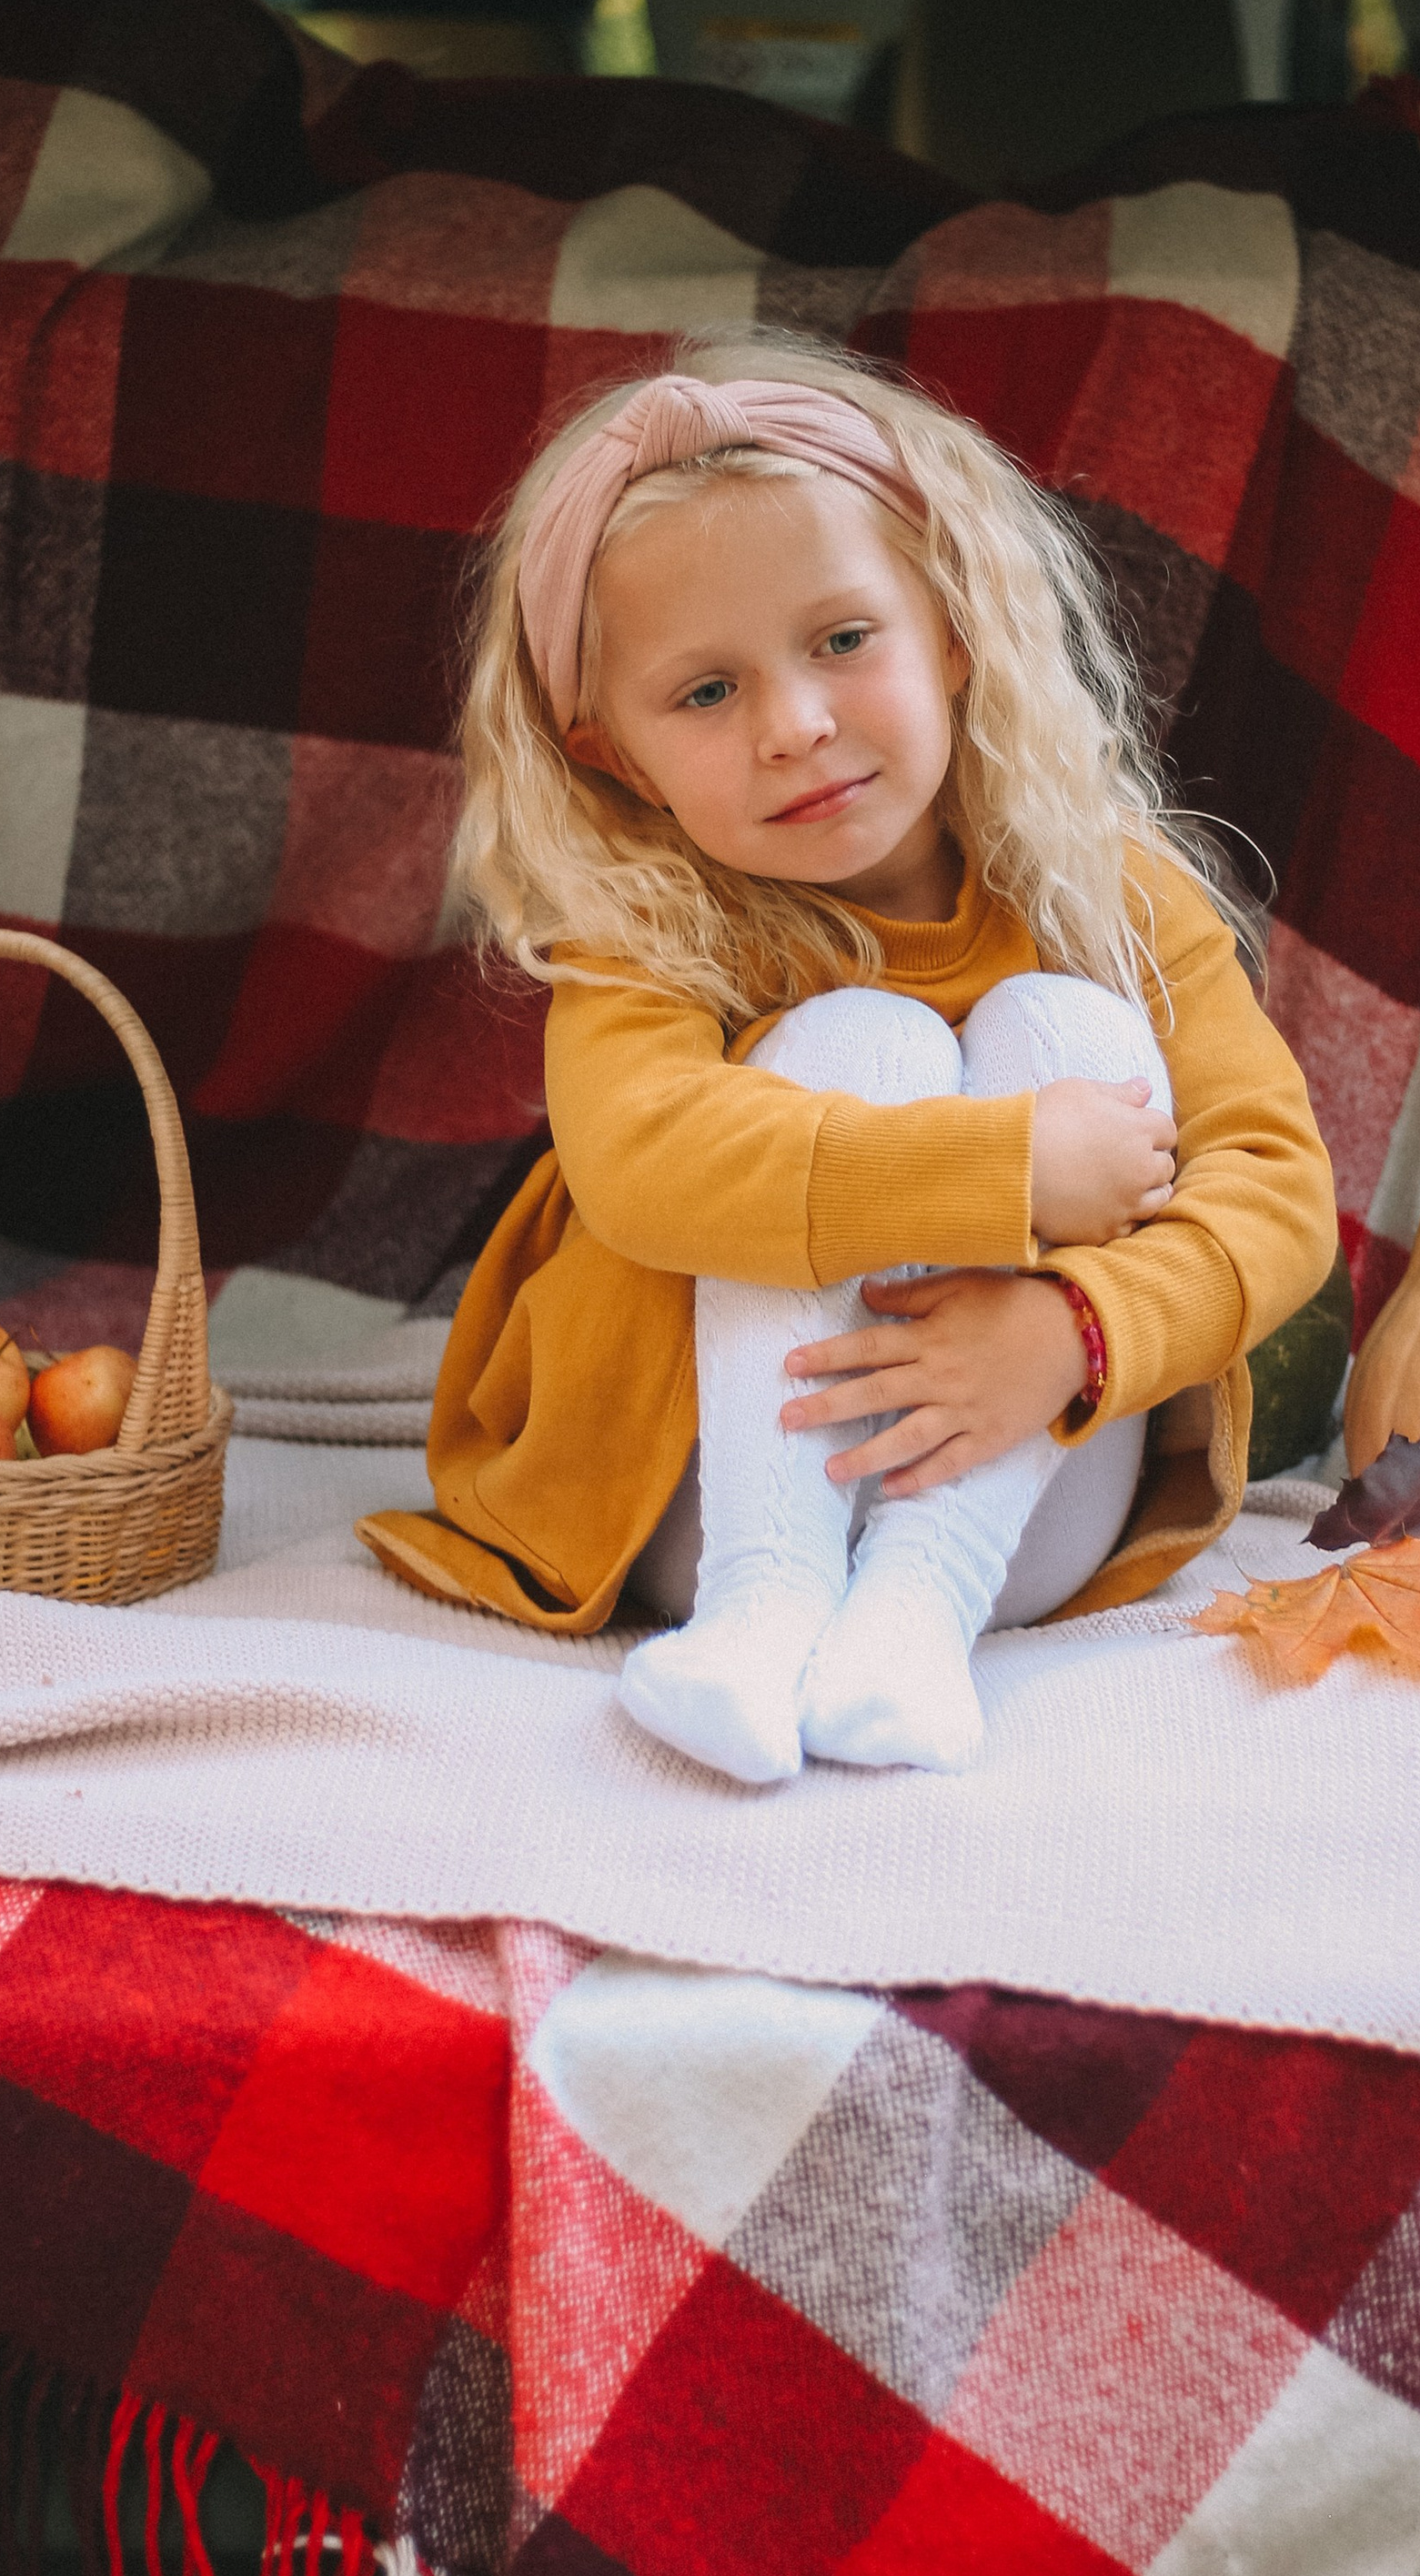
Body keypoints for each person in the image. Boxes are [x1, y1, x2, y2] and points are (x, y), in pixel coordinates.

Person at [357, 333, 1337, 1783]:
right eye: (705, 693)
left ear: (952, 631)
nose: (796, 727)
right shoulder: (644, 929)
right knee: (861, 1037)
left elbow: (1279, 1187)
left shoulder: (1108, 889)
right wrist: (1009, 1169)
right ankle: (763, 1616)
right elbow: (642, 1163)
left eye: (842, 640)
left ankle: (910, 1624)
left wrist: (1069, 1328)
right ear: (612, 753)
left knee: (1070, 1026)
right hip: (692, 1502)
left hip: (1012, 1507)